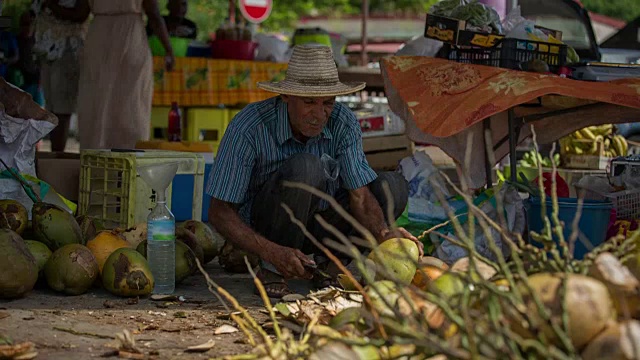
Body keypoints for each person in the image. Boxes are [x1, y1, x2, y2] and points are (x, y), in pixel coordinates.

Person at [207, 45, 423, 298]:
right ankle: (271, 269)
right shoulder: (249, 126)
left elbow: (359, 196)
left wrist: (384, 233)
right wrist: (270, 251)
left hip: (321, 224)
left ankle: (330, 265)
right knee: (306, 167)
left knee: (393, 185)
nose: (319, 115)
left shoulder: (343, 122)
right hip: (266, 226)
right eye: (309, 102)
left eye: (327, 103)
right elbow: (219, 211)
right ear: (286, 96)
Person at [76, 0, 175, 150]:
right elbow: (153, 14)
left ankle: (95, 150)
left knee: (97, 97)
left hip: (99, 37)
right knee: (132, 101)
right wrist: (169, 49)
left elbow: (80, 13)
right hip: (130, 38)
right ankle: (130, 152)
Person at [32, 0, 90, 152]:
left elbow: (81, 14)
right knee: (51, 108)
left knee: (62, 109)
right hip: (47, 49)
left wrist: (51, 5)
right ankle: (54, 154)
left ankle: (58, 156)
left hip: (68, 49)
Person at [16, 11, 45, 107]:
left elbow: (43, 63)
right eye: (25, 24)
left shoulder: (39, 41)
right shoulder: (17, 41)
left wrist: (41, 83)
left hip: (37, 83)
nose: (27, 27)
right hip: (22, 83)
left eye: (30, 24)